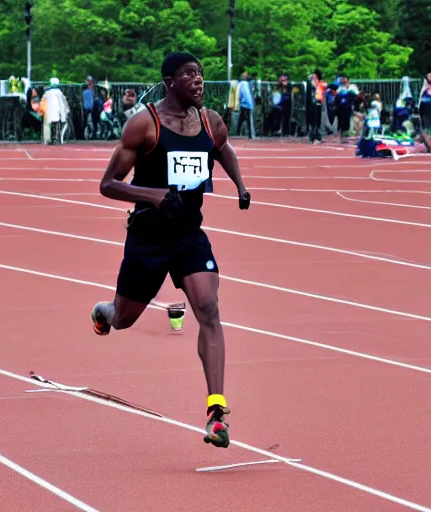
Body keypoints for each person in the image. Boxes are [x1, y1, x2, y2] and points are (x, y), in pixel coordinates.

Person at [90, 52, 251, 449]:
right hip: (147, 238)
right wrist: (154, 196)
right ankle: (102, 311)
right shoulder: (145, 123)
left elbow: (223, 148)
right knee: (123, 318)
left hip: (188, 236)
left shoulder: (210, 121)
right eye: (189, 74)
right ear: (169, 81)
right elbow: (108, 184)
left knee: (209, 309)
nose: (198, 80)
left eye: (200, 74)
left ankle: (216, 411)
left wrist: (240, 185)